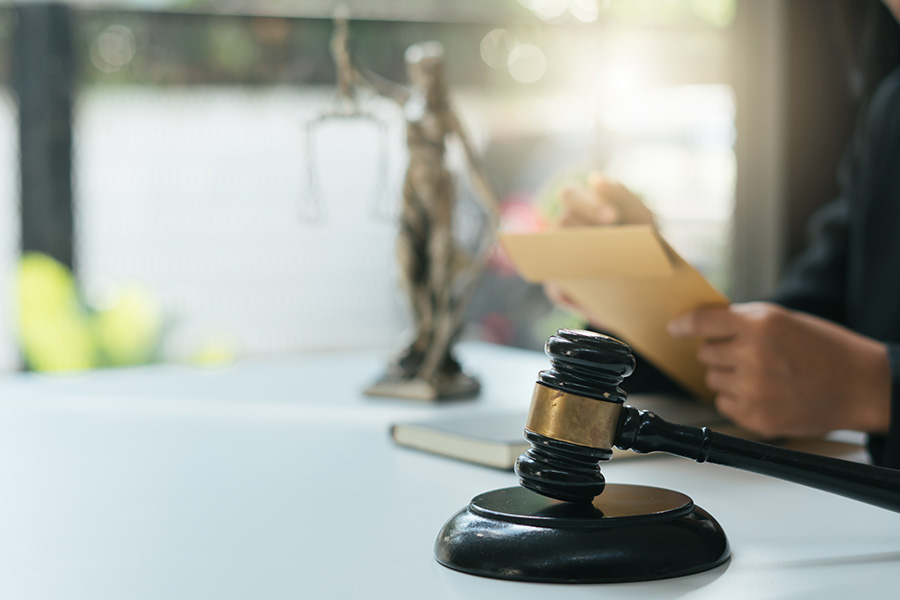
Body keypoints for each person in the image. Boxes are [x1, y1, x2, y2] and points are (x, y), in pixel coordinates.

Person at [547, 0, 900, 467]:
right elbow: (793, 338)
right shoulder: (891, 111)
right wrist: (643, 290)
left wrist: (878, 387)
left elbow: (851, 371)